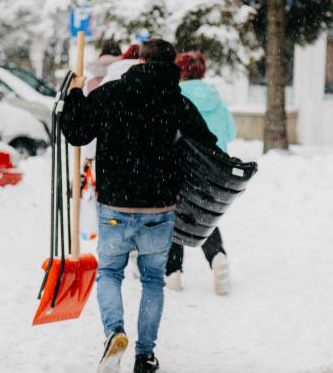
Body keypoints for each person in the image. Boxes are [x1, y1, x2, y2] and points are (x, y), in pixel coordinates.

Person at [61, 39, 218, 373]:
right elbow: (208, 144)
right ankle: (145, 355)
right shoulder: (177, 101)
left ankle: (114, 331)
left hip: (115, 205)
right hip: (159, 209)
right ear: (171, 63)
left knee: (109, 273)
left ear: (139, 62)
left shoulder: (112, 92)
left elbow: (75, 132)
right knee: (152, 281)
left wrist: (75, 94)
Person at [165, 52, 236, 296]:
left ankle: (173, 271)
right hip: (214, 171)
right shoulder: (216, 98)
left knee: (175, 216)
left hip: (184, 167)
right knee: (203, 216)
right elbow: (230, 132)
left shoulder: (176, 96)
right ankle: (217, 256)